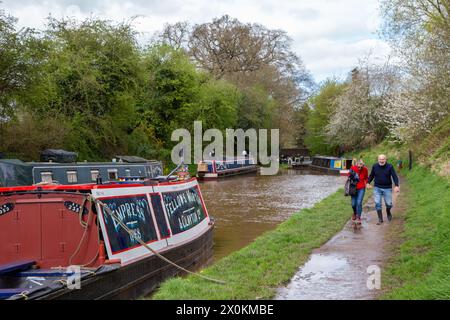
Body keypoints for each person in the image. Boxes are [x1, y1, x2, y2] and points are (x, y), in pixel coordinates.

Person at [367, 154, 400, 225]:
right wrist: (368, 182)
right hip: (377, 187)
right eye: (380, 159)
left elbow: (394, 176)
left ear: (386, 159)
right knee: (377, 203)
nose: (381, 161)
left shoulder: (390, 166)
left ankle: (388, 211)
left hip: (387, 188)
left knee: (389, 204)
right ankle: (380, 219)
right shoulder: (375, 166)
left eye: (383, 159)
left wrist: (396, 185)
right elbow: (371, 175)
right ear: (378, 159)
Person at [349, 159, 369, 225]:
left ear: (363, 165)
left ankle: (358, 217)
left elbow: (366, 177)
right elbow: (349, 176)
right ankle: (355, 213)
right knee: (353, 204)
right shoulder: (352, 168)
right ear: (356, 164)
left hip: (361, 188)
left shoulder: (365, 169)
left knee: (359, 202)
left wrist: (367, 183)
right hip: (353, 188)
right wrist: (352, 175)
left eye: (361, 164)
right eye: (358, 164)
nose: (359, 166)